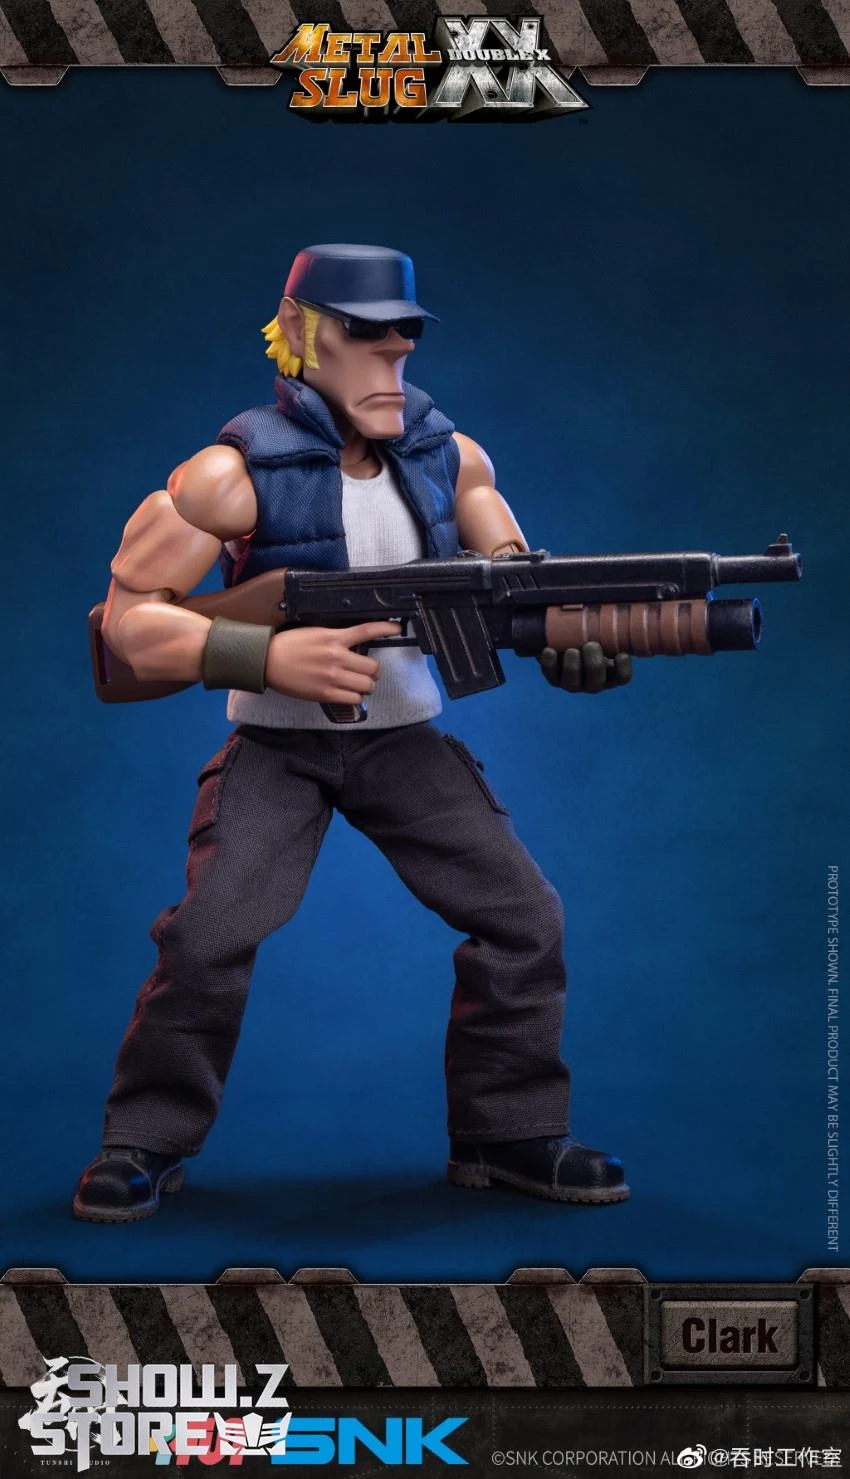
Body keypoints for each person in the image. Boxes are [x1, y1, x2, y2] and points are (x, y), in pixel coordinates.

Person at [74, 243, 631, 1222]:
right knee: (208, 935)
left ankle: (507, 1132)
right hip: (279, 745)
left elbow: (519, 590)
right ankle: (144, 1140)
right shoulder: (228, 477)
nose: (390, 363)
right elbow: (127, 623)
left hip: (401, 738)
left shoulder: (452, 458)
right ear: (300, 336)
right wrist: (264, 656)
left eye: (401, 341)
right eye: (363, 339)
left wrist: (580, 640)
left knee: (524, 918)